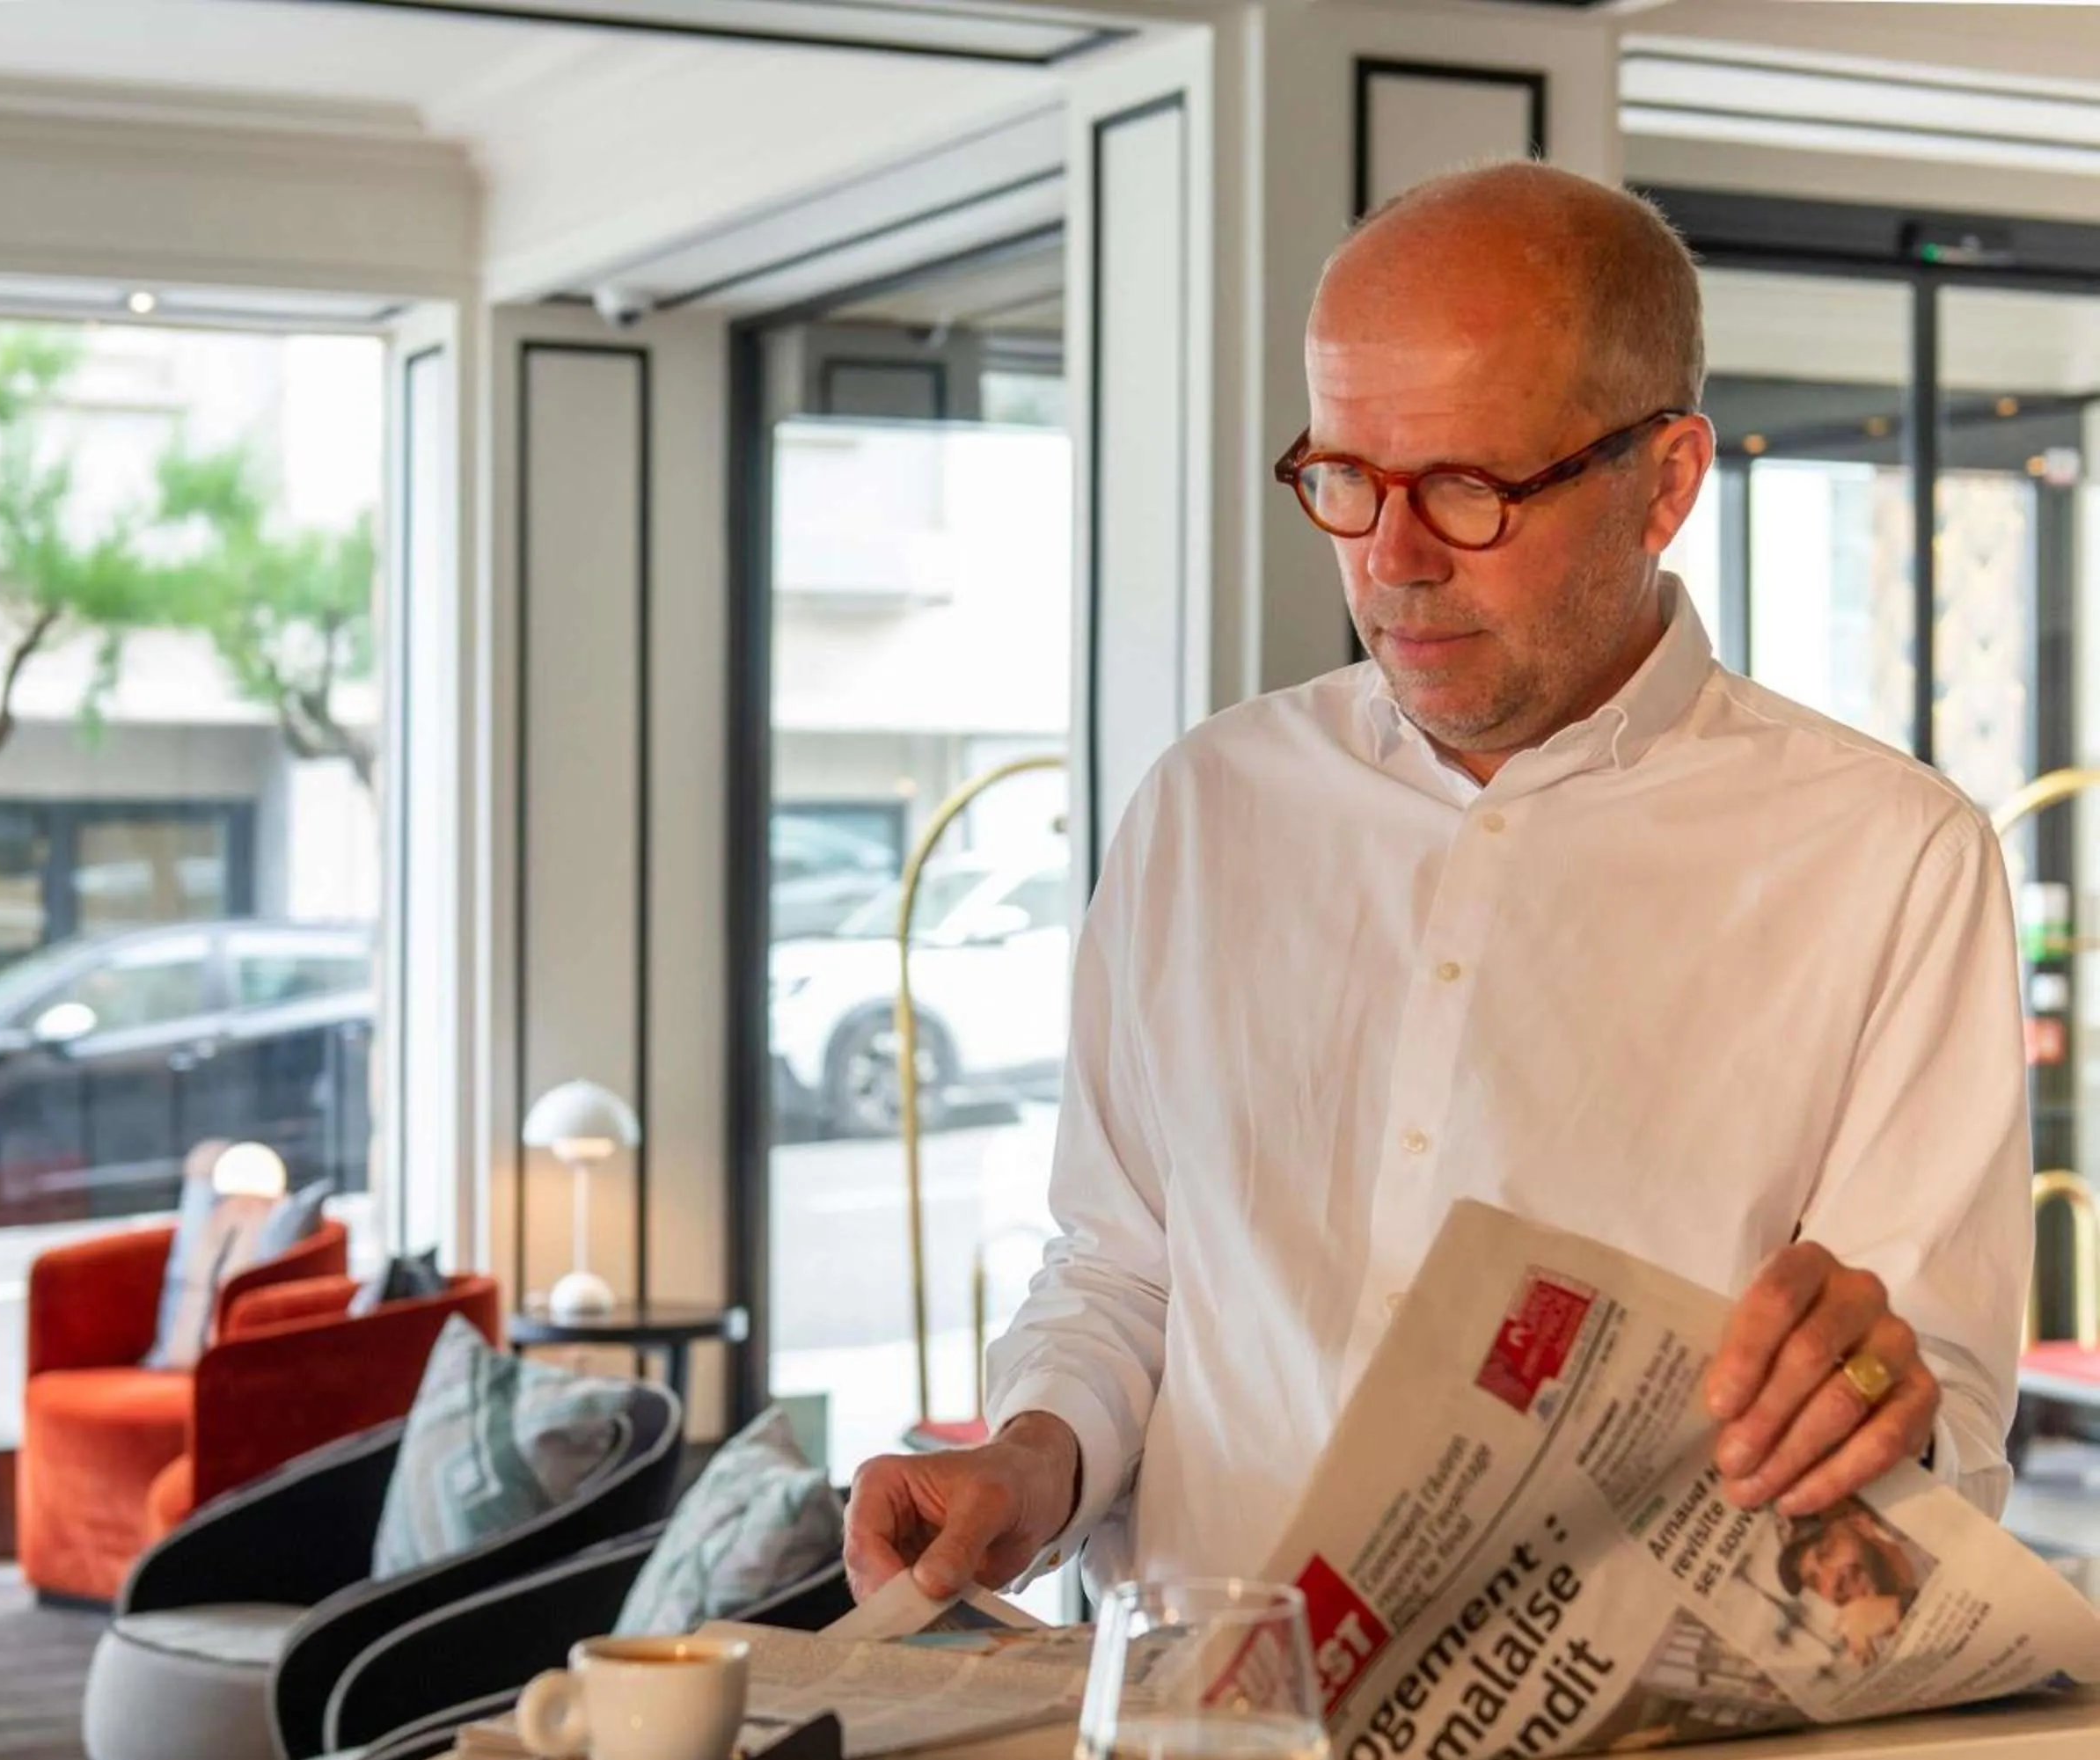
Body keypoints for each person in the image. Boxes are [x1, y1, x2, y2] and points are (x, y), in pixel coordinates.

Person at [845, 160, 2025, 1603]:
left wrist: (1885, 1411)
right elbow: (1125, 1268)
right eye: (1345, 477)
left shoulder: (1888, 859)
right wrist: (1033, 1459)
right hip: (1196, 1750)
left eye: (1469, 489)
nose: (1391, 561)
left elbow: (1943, 1431)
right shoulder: (1206, 810)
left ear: (1665, 481)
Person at [1775, 1502, 1924, 1668]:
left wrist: (1899, 1608)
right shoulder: (1875, 1650)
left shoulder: (1934, 1545)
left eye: (1827, 1551)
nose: (1830, 1583)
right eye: (1814, 1582)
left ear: (1860, 1525)